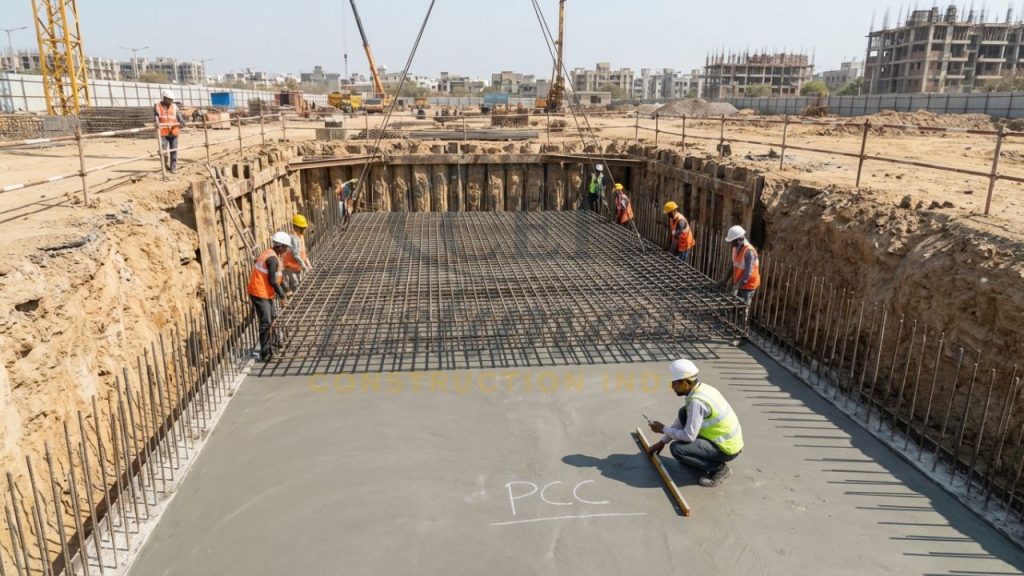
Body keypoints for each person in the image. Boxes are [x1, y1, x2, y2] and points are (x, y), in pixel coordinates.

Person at [646, 359, 744, 487]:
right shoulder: (703, 389)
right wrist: (662, 441)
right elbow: (681, 420)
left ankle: (719, 469)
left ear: (686, 382)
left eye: (675, 383)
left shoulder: (696, 402)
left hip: (725, 449)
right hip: (728, 442)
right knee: (683, 413)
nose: (672, 386)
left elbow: (688, 436)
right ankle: (698, 457)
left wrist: (662, 428)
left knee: (677, 449)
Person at [247, 232, 292, 362]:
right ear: (280, 246)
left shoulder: (274, 256)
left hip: (266, 292)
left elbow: (279, 276)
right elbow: (273, 281)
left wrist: (287, 290)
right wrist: (282, 297)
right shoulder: (271, 259)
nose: (287, 250)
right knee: (266, 321)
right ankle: (265, 352)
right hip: (259, 292)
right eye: (286, 247)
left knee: (272, 317)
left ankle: (274, 343)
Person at [722, 225, 761, 305]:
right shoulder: (736, 247)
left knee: (743, 307)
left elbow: (747, 274)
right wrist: (725, 279)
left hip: (749, 285)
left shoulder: (749, 252)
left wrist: (737, 287)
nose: (730, 243)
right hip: (739, 281)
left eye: (732, 241)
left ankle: (743, 317)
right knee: (732, 304)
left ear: (739, 240)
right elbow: (733, 264)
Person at [154, 90, 186, 173]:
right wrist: (156, 123)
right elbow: (156, 117)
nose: (171, 101)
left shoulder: (174, 106)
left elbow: (179, 115)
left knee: (174, 151)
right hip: (163, 132)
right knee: (163, 152)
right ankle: (165, 166)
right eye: (169, 99)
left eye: (171, 99)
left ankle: (173, 168)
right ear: (164, 98)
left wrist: (182, 121)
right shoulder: (157, 106)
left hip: (174, 131)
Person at [283, 214, 313, 291]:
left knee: (301, 286)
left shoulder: (300, 236)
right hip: (291, 268)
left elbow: (303, 252)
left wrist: (308, 264)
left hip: (298, 266)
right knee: (295, 287)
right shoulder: (293, 238)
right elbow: (295, 255)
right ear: (296, 228)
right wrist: (304, 266)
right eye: (302, 228)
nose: (304, 230)